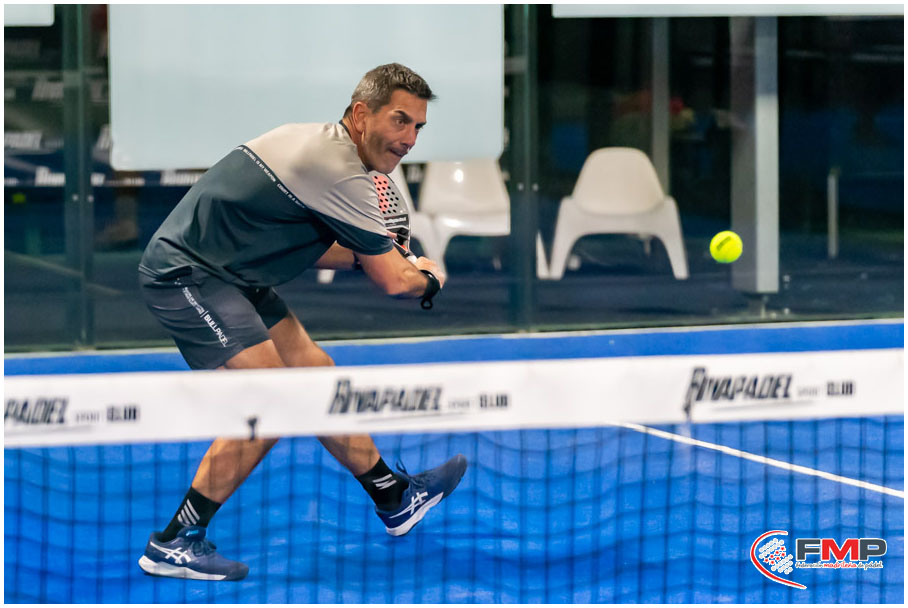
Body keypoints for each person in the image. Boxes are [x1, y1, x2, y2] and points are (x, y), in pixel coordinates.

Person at [136, 63, 467, 581]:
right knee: (273, 404)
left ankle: (393, 496)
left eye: (418, 127)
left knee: (315, 378)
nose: (409, 140)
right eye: (400, 121)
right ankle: (175, 541)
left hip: (235, 274)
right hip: (187, 275)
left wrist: (379, 258)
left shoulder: (325, 148)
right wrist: (427, 278)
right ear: (362, 114)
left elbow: (325, 249)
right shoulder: (339, 169)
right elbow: (392, 282)